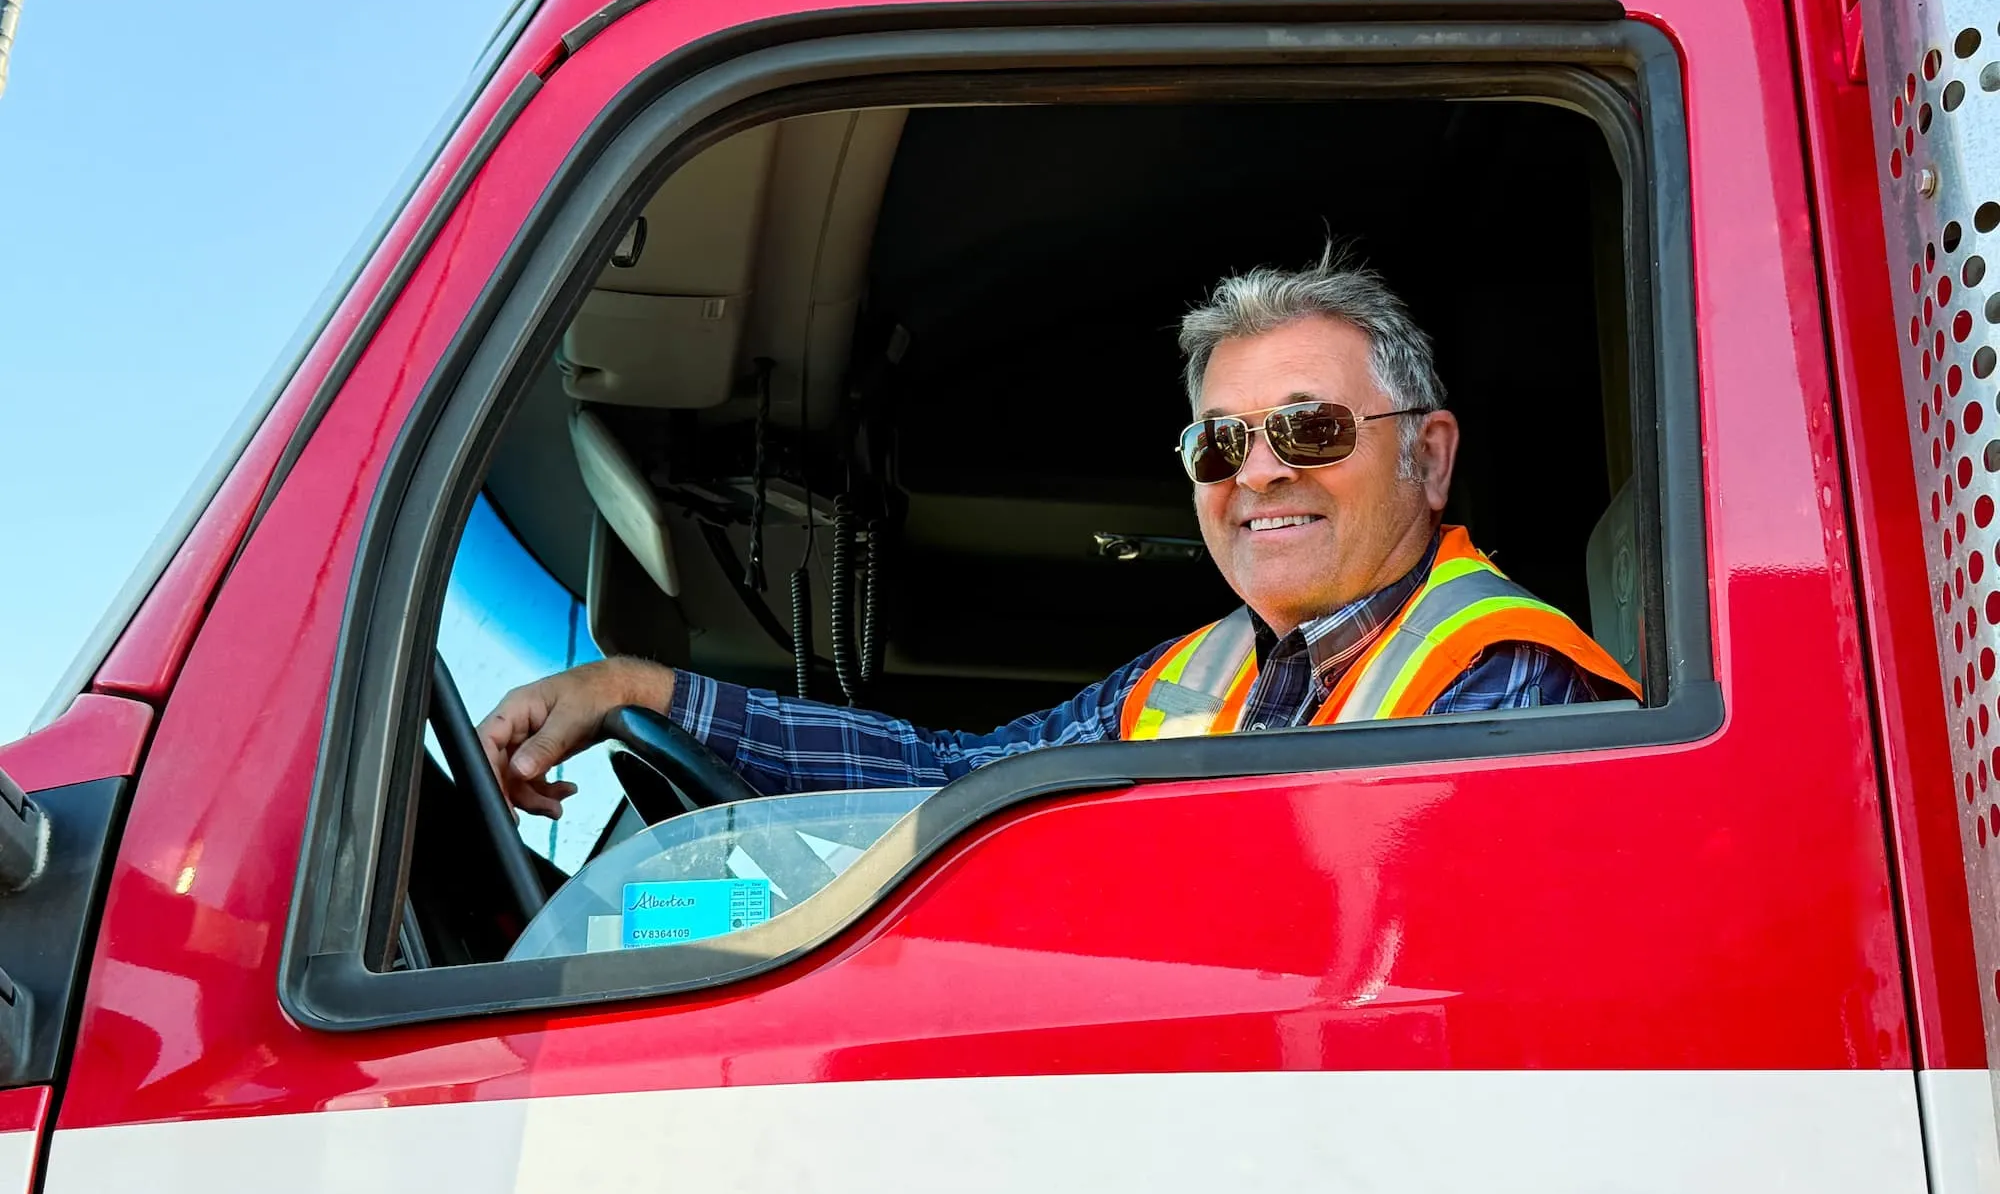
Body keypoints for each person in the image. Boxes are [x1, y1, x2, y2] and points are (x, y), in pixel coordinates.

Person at [479, 247, 1639, 816]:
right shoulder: (1196, 674)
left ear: (1427, 456)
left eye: (1311, 427)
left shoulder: (1502, 678)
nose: (1260, 473)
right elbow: (954, 778)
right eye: (1220, 444)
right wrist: (646, 691)